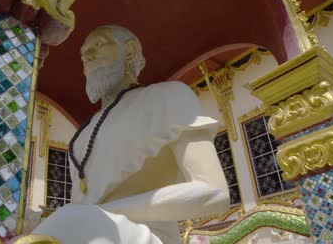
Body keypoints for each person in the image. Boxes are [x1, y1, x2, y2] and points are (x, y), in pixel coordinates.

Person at [31, 25, 230, 244]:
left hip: (147, 236)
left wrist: (99, 213)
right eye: (83, 53)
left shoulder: (168, 96)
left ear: (129, 51)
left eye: (98, 45)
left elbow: (214, 193)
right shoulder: (82, 135)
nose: (87, 56)